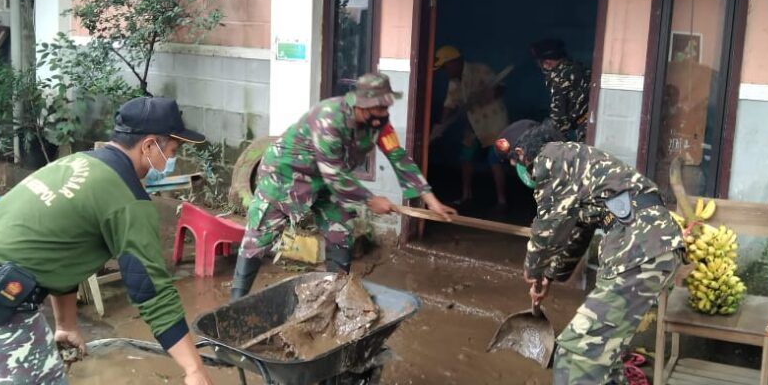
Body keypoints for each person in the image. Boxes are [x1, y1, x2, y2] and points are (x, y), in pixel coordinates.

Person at [0, 97, 223, 385]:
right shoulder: (127, 200)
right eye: (171, 149)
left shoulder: (78, 163)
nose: (171, 159)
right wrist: (194, 369)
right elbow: (151, 293)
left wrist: (66, 324)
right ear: (149, 145)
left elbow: (59, 252)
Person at [494, 119, 684, 385]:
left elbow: (548, 225)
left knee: (573, 350)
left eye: (514, 164)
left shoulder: (549, 159)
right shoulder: (577, 163)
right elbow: (577, 231)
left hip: (639, 252)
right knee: (602, 339)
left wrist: (532, 269)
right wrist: (551, 275)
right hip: (648, 249)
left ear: (522, 153)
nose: (520, 172)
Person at [231, 72, 456, 300]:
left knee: (341, 228)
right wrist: (371, 200)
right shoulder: (329, 117)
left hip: (327, 180)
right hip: (287, 175)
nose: (384, 114)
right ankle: (235, 302)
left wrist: (431, 201)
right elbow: (335, 176)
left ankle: (334, 295)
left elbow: (399, 157)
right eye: (379, 108)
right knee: (260, 237)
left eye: (386, 107)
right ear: (362, 105)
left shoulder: (379, 125)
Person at [431, 45, 511, 211]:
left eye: (445, 67)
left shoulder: (479, 70)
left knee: (494, 160)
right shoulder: (454, 82)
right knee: (466, 157)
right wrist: (440, 125)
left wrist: (487, 95)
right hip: (473, 125)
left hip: (493, 123)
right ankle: (466, 196)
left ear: (453, 62)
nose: (445, 71)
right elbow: (449, 104)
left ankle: (502, 201)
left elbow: (501, 88)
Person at [530, 39, 592, 141]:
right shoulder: (577, 67)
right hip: (594, 121)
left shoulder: (558, 79)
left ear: (547, 63)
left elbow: (559, 118)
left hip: (584, 127)